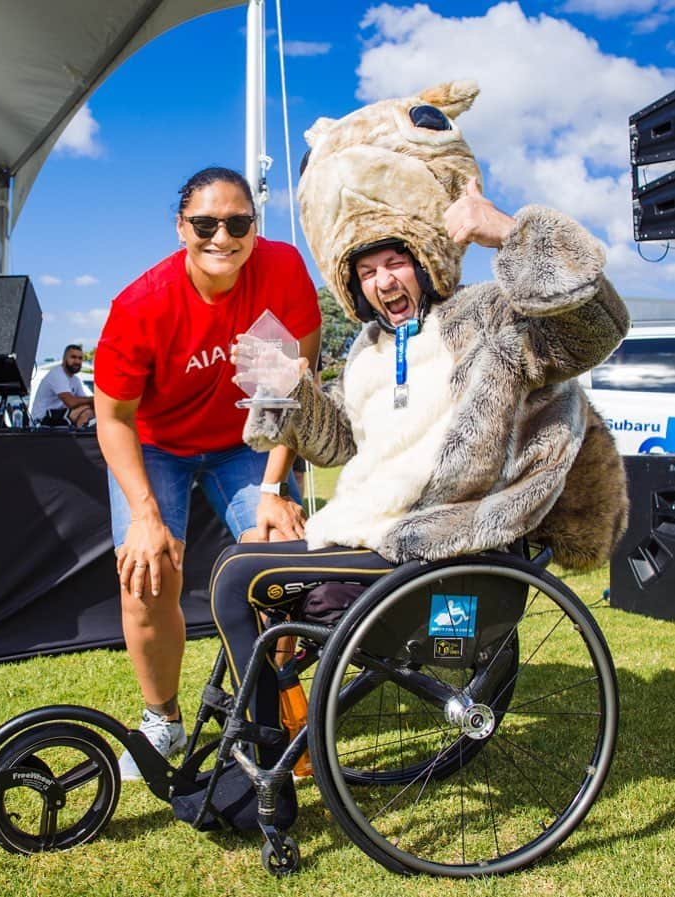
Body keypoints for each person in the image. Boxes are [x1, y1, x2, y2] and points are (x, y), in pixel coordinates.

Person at [178, 82, 630, 830]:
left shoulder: (484, 316)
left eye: (393, 261)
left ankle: (262, 777)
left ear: (421, 257)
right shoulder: (365, 350)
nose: (382, 280)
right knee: (250, 565)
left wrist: (506, 232)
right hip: (375, 539)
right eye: (365, 269)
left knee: (235, 573)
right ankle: (268, 743)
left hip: (440, 545)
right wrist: (289, 393)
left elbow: (597, 326)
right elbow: (353, 450)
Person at [93, 166, 321, 780]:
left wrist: (274, 488)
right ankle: (161, 721)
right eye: (205, 224)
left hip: (248, 438)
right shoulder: (140, 305)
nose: (222, 236)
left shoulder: (284, 269)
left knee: (283, 555)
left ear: (255, 227)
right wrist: (145, 516)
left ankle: (279, 709)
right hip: (157, 444)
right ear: (181, 229)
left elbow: (295, 385)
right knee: (146, 576)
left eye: (238, 222)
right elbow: (111, 418)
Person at [31, 343, 94, 427]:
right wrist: (94, 399)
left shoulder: (76, 380)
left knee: (91, 410)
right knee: (86, 411)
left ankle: (83, 437)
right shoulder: (57, 374)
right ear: (64, 359)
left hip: (57, 417)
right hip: (41, 421)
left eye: (80, 358)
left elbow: (85, 401)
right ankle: (80, 438)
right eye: (73, 357)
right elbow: (71, 402)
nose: (77, 361)